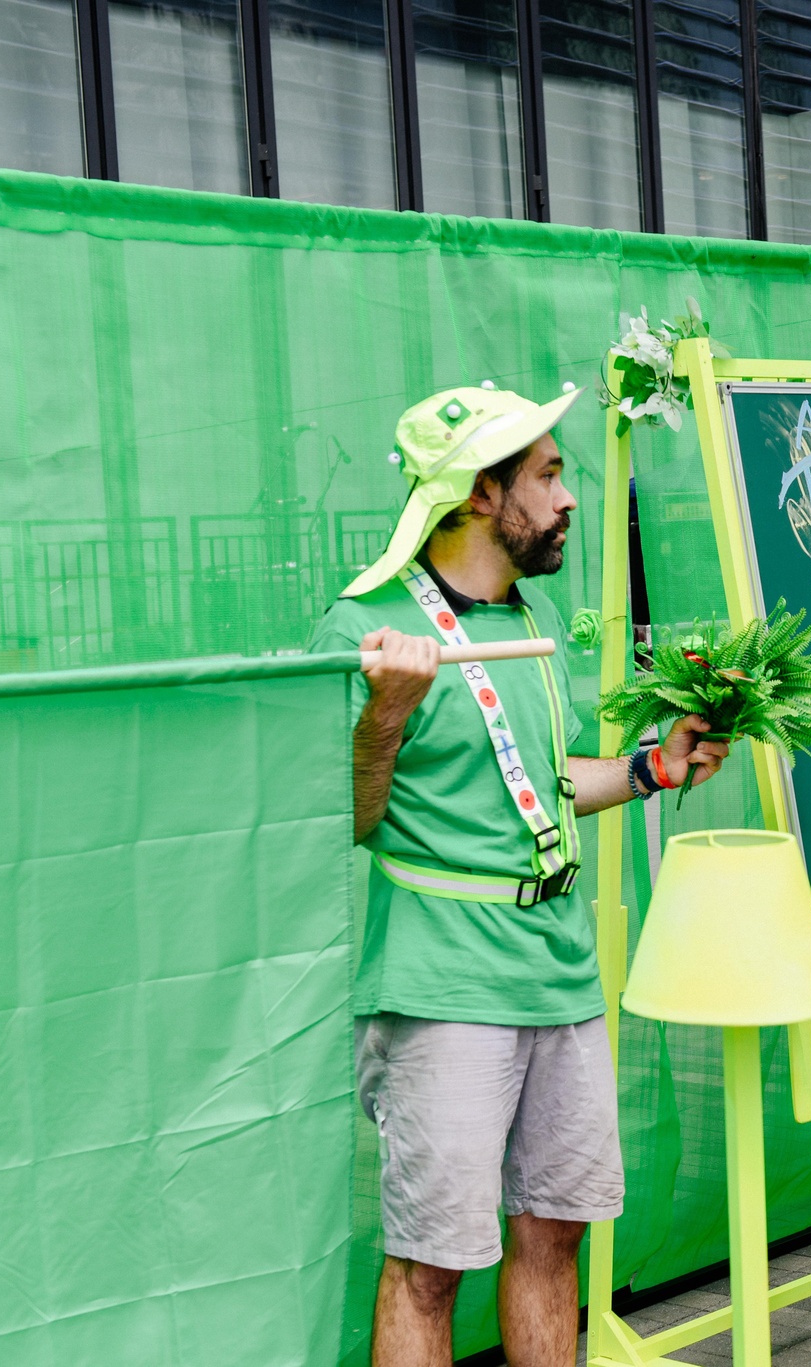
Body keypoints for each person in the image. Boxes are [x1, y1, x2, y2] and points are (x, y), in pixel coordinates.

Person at [310, 382, 731, 1367]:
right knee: (429, 1266)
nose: (568, 496)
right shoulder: (363, 629)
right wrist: (384, 714)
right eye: (546, 475)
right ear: (474, 494)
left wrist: (651, 767)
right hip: (441, 985)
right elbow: (342, 816)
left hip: (560, 972)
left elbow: (538, 786)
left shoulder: (525, 618)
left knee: (553, 1236)